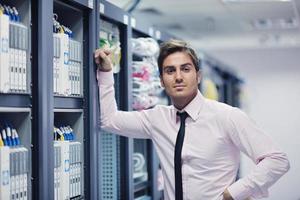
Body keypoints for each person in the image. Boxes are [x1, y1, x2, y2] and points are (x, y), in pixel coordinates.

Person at [94, 39, 290, 200]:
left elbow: (277, 160)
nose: (178, 77)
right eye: (170, 71)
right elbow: (109, 120)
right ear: (161, 80)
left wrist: (234, 193)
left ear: (198, 76)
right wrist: (105, 72)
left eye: (186, 69)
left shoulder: (227, 116)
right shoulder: (157, 118)